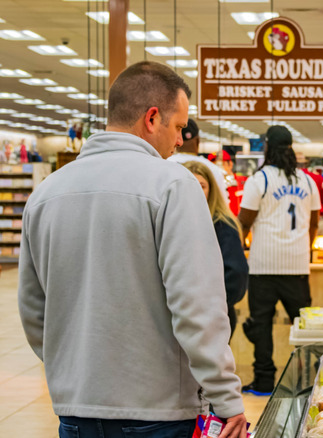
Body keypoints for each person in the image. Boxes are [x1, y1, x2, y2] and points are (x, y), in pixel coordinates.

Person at [18, 61, 246, 438]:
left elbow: (33, 309)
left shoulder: (45, 193)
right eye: (178, 127)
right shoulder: (173, 184)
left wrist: (77, 369)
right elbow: (196, 305)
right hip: (159, 413)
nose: (180, 140)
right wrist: (226, 396)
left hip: (75, 413)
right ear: (152, 118)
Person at [238, 125, 321, 395]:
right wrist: (304, 250)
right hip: (297, 267)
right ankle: (307, 380)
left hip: (263, 265)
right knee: (304, 327)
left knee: (261, 326)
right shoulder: (308, 181)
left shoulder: (258, 180)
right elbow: (313, 224)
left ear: (266, 147)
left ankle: (264, 381)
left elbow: (244, 222)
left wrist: (240, 250)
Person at [182, 160, 249, 338]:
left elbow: (236, 274)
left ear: (211, 190)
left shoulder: (222, 225)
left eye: (202, 186)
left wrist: (209, 307)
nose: (196, 191)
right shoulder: (175, 222)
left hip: (213, 317)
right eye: (191, 185)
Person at [168, 118, 229, 203]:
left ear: (177, 140)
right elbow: (223, 203)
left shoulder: (165, 165)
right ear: (198, 140)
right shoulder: (213, 169)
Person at [209, 150, 243, 216]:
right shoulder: (211, 185)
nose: (217, 168)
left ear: (230, 164)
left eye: (222, 164)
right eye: (214, 165)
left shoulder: (243, 181)